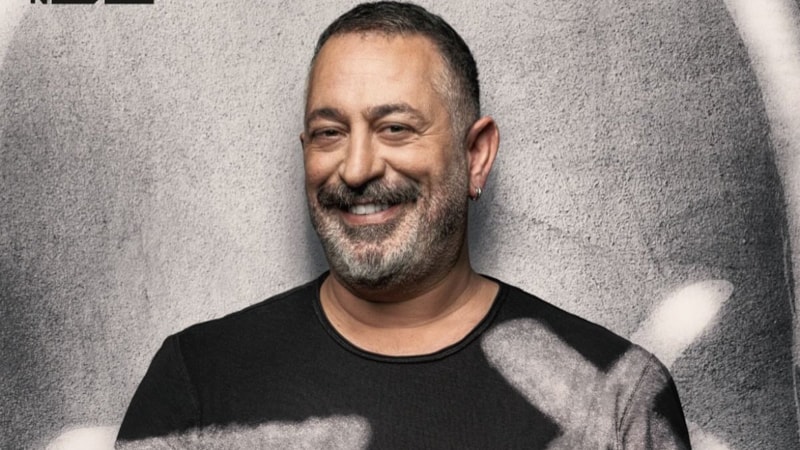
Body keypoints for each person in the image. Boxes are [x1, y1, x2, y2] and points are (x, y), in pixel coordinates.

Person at [116, 2, 691, 448]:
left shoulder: (618, 399)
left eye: (395, 128)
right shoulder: (199, 381)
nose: (357, 168)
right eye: (329, 133)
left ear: (476, 156)